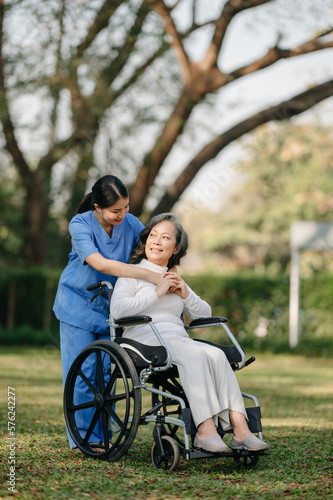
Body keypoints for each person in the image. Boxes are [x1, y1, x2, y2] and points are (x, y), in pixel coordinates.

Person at [111, 213, 270, 454]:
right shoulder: (131, 272)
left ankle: (241, 431)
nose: (156, 241)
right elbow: (118, 312)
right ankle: (205, 432)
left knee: (216, 355)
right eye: (153, 235)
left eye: (165, 237)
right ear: (145, 241)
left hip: (176, 339)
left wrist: (185, 293)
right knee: (193, 354)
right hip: (143, 340)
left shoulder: (175, 277)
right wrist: (157, 292)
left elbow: (203, 315)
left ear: (175, 247)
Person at [53, 175, 164, 449]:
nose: (123, 215)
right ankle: (84, 439)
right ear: (97, 207)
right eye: (116, 210)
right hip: (76, 305)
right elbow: (100, 263)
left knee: (106, 372)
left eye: (126, 208)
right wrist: (147, 277)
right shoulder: (80, 224)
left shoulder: (131, 222)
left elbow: (150, 251)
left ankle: (102, 437)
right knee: (83, 371)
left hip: (110, 309)